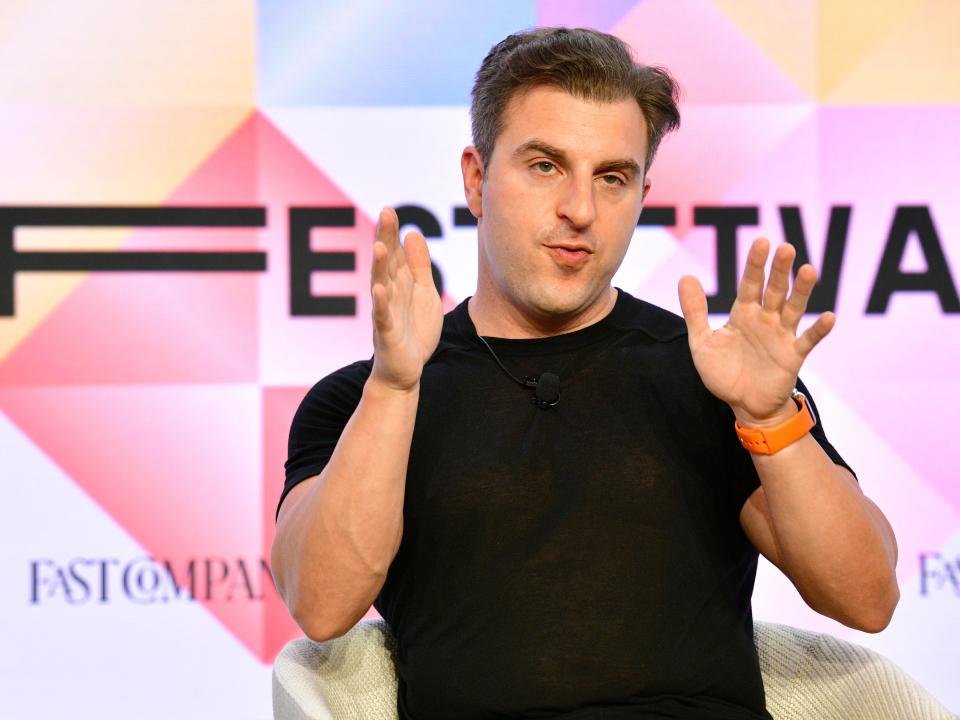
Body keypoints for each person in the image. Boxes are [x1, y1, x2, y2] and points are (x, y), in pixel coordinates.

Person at [271, 27, 899, 720]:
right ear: (476, 179)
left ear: (641, 193)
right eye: (545, 166)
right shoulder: (368, 395)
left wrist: (769, 418)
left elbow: (866, 597)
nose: (580, 211)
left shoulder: (720, 377)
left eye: (611, 177)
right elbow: (321, 605)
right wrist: (393, 391)